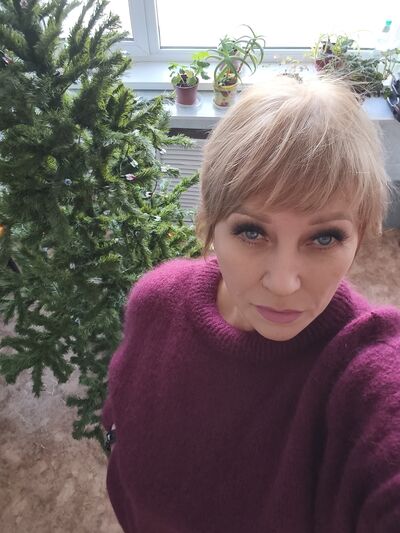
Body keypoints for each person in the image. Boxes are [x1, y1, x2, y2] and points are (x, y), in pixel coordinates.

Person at [102, 76, 400, 533]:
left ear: (360, 236)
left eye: (324, 238)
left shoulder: (365, 372)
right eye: (252, 232)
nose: (283, 283)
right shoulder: (156, 299)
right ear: (210, 223)